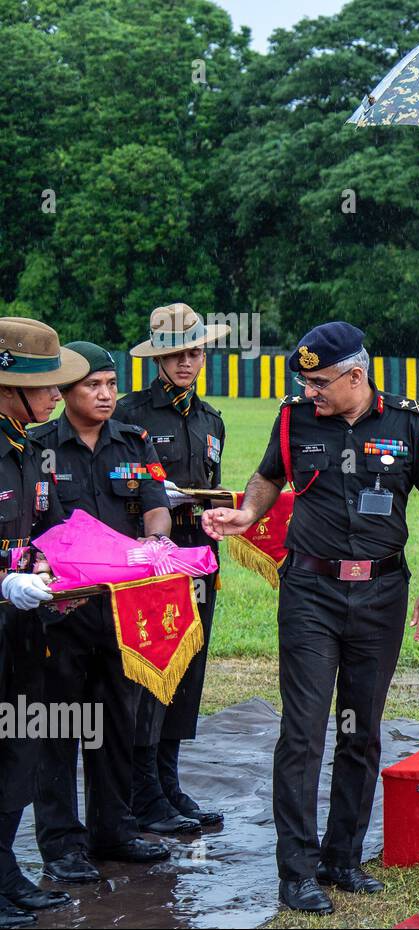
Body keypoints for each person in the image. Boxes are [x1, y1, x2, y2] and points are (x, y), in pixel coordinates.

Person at [201, 322, 419, 914]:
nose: (310, 391)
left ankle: (343, 857)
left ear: (356, 376)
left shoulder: (410, 421)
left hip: (381, 593)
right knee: (303, 729)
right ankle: (297, 870)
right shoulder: (295, 419)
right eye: (305, 381)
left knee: (360, 729)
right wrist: (246, 513)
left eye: (320, 382)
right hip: (311, 591)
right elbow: (269, 476)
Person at [30, 341, 175, 880]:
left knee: (117, 720)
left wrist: (157, 543)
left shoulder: (133, 443)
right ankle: (62, 843)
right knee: (60, 726)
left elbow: (157, 506)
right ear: (66, 390)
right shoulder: (38, 445)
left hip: (121, 610)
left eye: (112, 385)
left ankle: (113, 829)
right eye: (92, 385)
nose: (106, 394)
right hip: (60, 614)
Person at [115, 303, 227, 834]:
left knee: (187, 670)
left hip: (199, 558)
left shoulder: (211, 419)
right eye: (178, 352)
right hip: (148, 560)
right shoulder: (128, 414)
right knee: (149, 670)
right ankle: (140, 792)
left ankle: (167, 783)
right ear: (158, 357)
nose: (188, 361)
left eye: (196, 351)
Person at [0, 319, 88, 928]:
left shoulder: (28, 447)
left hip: (23, 629)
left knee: (18, 753)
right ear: (11, 386)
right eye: (49, 385)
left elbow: (43, 533)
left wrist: (68, 575)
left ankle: (4, 872)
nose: (59, 396)